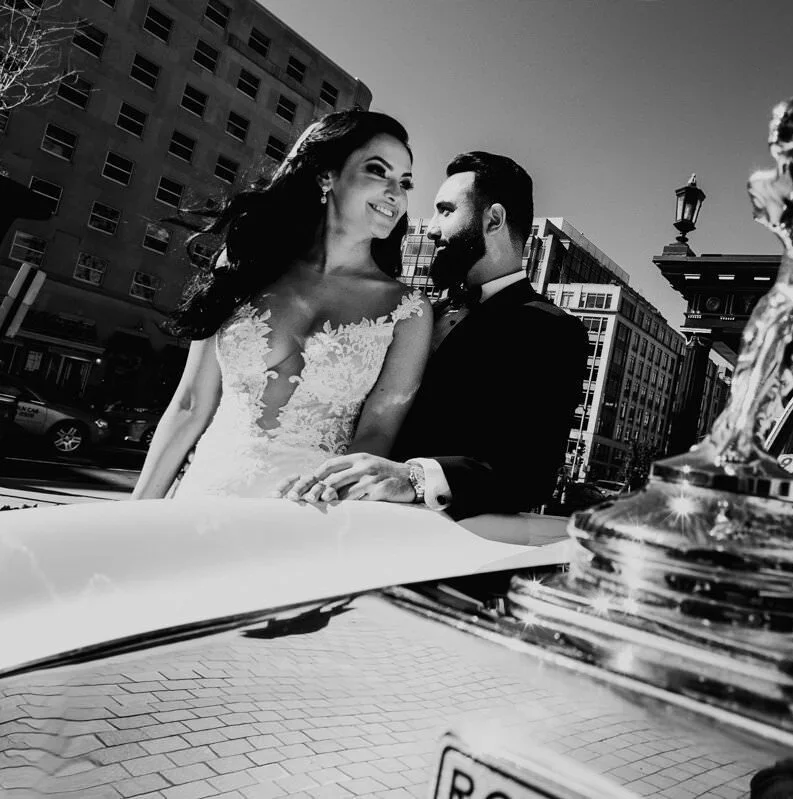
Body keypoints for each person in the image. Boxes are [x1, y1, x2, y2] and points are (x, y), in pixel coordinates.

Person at [131, 111, 432, 499]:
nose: (396, 193)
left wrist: (330, 489)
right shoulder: (244, 266)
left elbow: (379, 430)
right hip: (204, 496)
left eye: (405, 183)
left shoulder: (408, 310)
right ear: (327, 175)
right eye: (378, 171)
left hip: (311, 511)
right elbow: (190, 404)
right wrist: (137, 508)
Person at [275, 152, 588, 520]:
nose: (432, 228)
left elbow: (528, 476)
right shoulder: (416, 313)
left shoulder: (550, 330)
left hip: (436, 550)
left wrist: (413, 478)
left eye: (446, 210)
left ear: (494, 219)